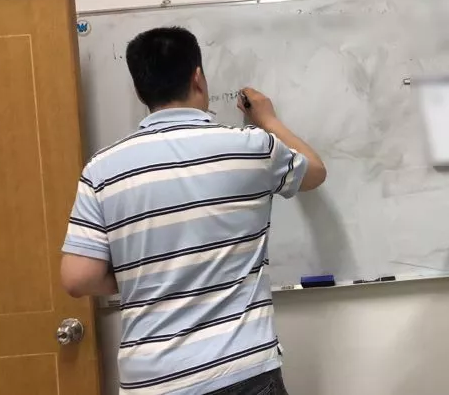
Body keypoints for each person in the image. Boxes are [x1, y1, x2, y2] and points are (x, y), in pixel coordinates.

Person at [60, 27, 326, 395]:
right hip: (241, 369)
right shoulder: (252, 147)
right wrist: (268, 119)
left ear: (140, 90)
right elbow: (315, 172)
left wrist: (149, 273)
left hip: (151, 379)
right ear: (197, 77)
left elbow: (77, 279)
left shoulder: (102, 169)